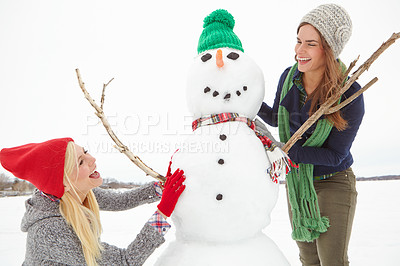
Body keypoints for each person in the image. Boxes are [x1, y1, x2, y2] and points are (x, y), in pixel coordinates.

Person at [257, 4, 364, 266]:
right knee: (308, 260)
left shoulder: (349, 93)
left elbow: (336, 156)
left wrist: (288, 152)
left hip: (334, 182)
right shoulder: (289, 77)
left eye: (310, 44)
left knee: (332, 262)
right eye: (298, 41)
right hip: (298, 182)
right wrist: (244, 97)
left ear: (328, 48)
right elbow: (277, 118)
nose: (299, 51)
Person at [0, 137, 186, 266]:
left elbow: (120, 200)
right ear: (63, 181)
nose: (92, 159)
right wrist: (162, 213)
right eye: (80, 162)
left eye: (85, 152)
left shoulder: (73, 194)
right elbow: (125, 261)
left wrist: (161, 187)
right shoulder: (49, 231)